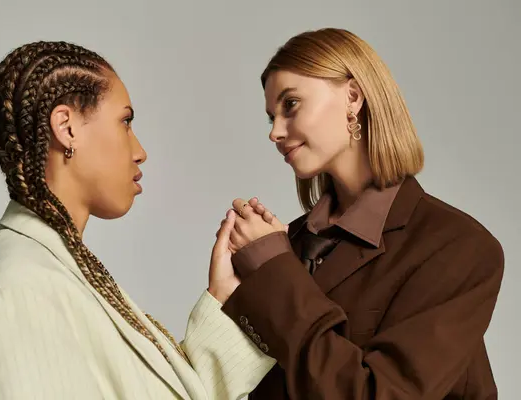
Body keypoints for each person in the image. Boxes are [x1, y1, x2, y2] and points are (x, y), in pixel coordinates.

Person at [0, 41, 276, 400]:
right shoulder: (18, 292)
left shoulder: (61, 273)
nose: (139, 151)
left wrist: (224, 296)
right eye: (125, 122)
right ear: (67, 127)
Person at [214, 28, 505, 399]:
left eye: (291, 105)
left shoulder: (457, 248)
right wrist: (224, 294)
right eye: (271, 116)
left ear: (352, 97)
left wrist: (272, 269)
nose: (274, 132)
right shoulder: (291, 245)